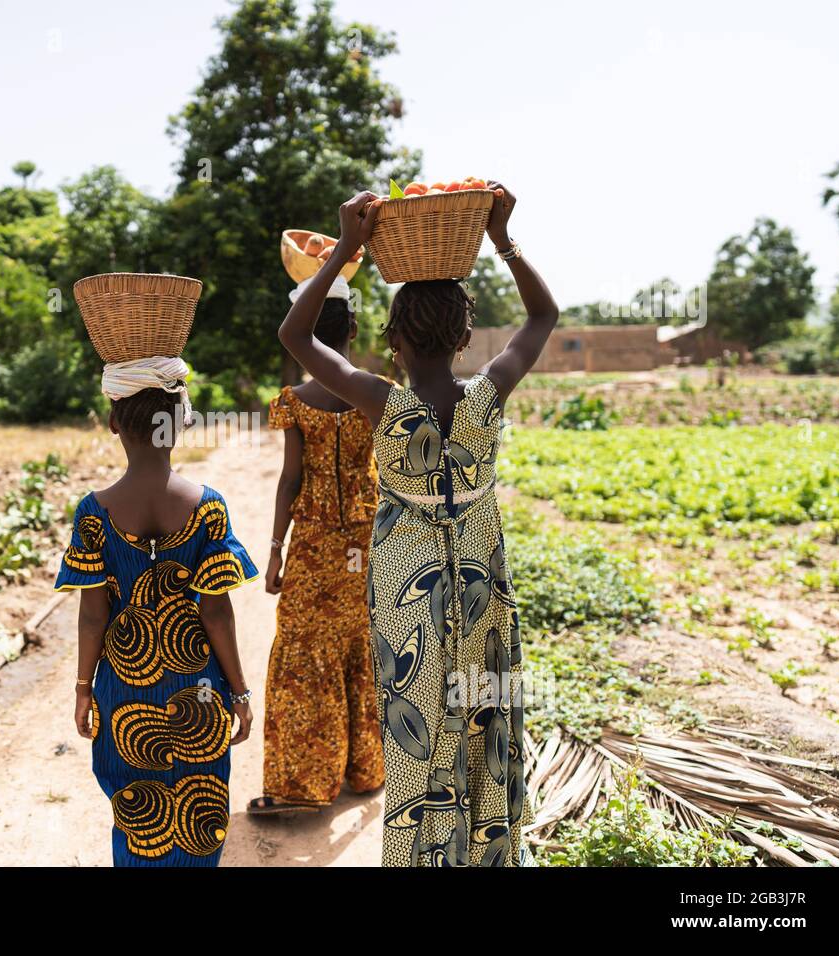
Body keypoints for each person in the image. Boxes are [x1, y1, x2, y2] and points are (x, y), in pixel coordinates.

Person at [277, 184, 559, 866]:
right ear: (465, 337)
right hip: (482, 587)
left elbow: (295, 335)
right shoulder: (489, 393)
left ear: (394, 340)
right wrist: (502, 237)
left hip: (408, 591)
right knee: (485, 719)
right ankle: (487, 852)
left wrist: (346, 245)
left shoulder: (378, 400)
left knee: (416, 730)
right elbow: (544, 315)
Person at [55, 374, 258, 867]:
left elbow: (92, 616)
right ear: (179, 426)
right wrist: (240, 692)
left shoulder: (92, 512)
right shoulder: (208, 507)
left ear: (112, 424)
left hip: (124, 695)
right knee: (199, 815)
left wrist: (84, 688)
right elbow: (216, 611)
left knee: (136, 818)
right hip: (201, 690)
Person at [249, 279, 384, 815]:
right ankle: (365, 769)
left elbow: (289, 480)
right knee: (359, 646)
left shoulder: (296, 402)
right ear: (352, 329)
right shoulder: (379, 392)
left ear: (306, 334)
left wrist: (275, 548)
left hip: (313, 543)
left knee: (304, 652)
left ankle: (304, 784)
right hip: (368, 542)